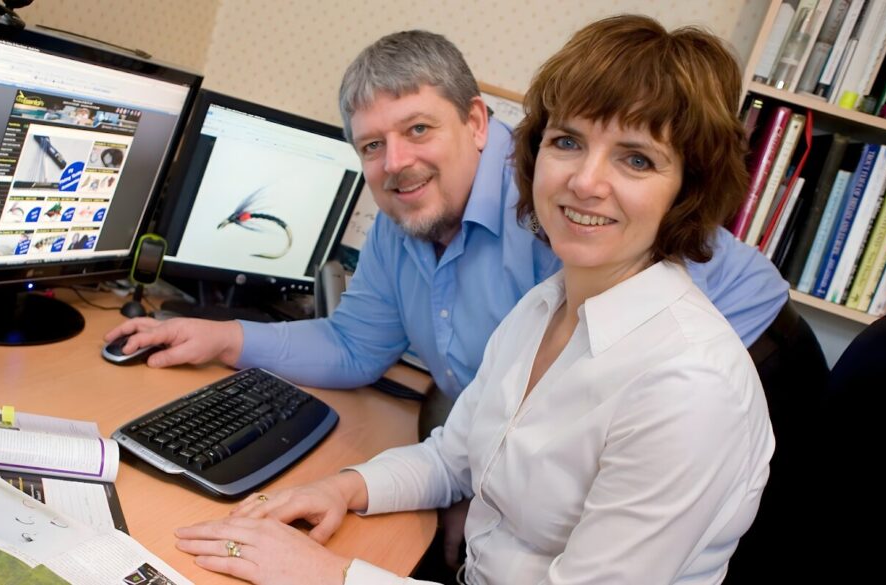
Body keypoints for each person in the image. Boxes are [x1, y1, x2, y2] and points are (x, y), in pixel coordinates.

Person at [172, 15, 774, 585]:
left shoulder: (691, 386)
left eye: (636, 159)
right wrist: (343, 486)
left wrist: (328, 575)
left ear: (687, 189)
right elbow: (452, 457)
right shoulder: (544, 306)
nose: (586, 182)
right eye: (567, 142)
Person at [103, 31, 788, 405]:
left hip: (756, 369)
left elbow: (748, 283)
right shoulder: (406, 221)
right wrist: (222, 338)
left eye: (419, 129)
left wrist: (655, 397)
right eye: (373, 145)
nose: (396, 162)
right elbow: (355, 347)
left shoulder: (564, 197)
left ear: (478, 121)